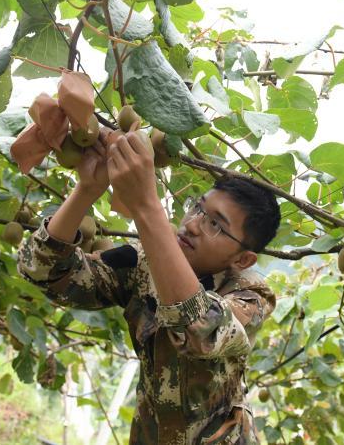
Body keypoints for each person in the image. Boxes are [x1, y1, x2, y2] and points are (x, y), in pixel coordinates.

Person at [16, 128, 281, 444]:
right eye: (198, 207)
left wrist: (146, 206)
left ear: (243, 259)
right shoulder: (142, 263)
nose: (193, 224)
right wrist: (87, 189)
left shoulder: (251, 297)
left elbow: (201, 328)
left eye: (214, 225)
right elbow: (42, 271)